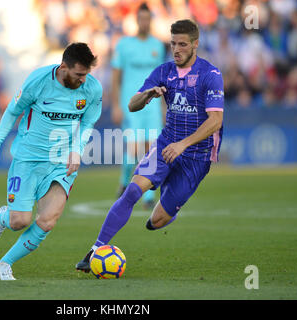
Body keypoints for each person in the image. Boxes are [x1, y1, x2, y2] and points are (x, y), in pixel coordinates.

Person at [76, 20, 224, 272]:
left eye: (183, 44)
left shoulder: (210, 75)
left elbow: (216, 121)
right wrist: (147, 96)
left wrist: (183, 144)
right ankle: (94, 251)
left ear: (195, 44)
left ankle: (168, 201)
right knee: (132, 192)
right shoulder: (164, 72)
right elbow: (132, 104)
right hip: (166, 144)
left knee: (156, 220)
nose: (176, 49)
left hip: (197, 156)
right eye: (173, 43)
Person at [0, 43, 102, 280]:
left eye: (86, 75)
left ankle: (4, 265)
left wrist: (77, 151)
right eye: (78, 75)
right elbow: (13, 111)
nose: (83, 80)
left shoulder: (92, 88)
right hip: (28, 160)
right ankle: (3, 217)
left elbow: (87, 123)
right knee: (20, 221)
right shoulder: (39, 80)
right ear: (63, 67)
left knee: (47, 221)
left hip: (61, 163)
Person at [111, 3, 166, 209]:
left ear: (150, 20)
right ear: (136, 21)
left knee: (151, 150)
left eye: (147, 19)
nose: (144, 22)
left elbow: (161, 80)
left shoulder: (158, 46)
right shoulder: (124, 45)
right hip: (131, 105)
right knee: (132, 151)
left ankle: (148, 197)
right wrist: (116, 105)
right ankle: (125, 181)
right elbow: (116, 76)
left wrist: (162, 109)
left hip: (152, 106)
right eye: (141, 19)